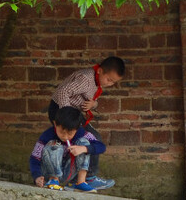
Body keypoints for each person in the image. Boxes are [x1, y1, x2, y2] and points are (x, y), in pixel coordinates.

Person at [47, 55, 125, 190]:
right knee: (85, 139)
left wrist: (94, 104)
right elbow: (63, 91)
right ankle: (87, 178)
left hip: (73, 112)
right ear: (100, 71)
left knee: (90, 139)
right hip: (62, 110)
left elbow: (88, 98)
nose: (109, 84)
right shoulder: (86, 79)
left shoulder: (95, 81)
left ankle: (80, 179)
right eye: (109, 79)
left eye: (113, 82)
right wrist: (66, 115)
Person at [30, 105, 106, 192]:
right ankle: (53, 180)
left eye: (70, 133)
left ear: (77, 129)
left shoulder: (81, 133)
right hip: (48, 173)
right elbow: (34, 158)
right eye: (62, 132)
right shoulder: (47, 135)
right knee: (54, 145)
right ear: (55, 124)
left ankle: (81, 182)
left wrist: (84, 148)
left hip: (68, 172)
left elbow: (101, 147)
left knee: (84, 143)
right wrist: (37, 176)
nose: (65, 137)